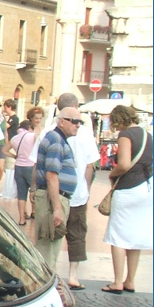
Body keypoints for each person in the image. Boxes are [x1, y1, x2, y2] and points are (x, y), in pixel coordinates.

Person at [101, 104, 153, 293]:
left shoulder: (126, 135)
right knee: (135, 236)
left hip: (128, 188)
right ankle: (130, 280)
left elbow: (123, 164)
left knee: (119, 236)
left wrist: (112, 174)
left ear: (118, 119)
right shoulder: (148, 135)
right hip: (147, 188)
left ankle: (116, 281)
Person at [54, 93, 98, 290]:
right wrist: (87, 188)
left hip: (54, 193)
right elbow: (90, 165)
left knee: (51, 234)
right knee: (77, 233)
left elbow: (38, 164)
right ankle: (73, 275)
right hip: (77, 193)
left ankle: (51, 272)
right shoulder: (86, 133)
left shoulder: (50, 131)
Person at [32, 106, 82, 269]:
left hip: (53, 197)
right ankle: (44, 286)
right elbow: (51, 175)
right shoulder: (56, 140)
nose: (78, 125)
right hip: (53, 198)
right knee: (48, 248)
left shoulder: (57, 139)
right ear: (61, 121)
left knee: (50, 247)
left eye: (79, 122)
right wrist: (57, 208)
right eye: (74, 121)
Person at [10, 118, 37, 226]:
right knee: (35, 191)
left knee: (21, 194)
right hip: (30, 167)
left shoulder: (14, 138)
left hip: (18, 167)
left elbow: (4, 150)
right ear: (29, 127)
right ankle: (35, 213)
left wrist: (14, 156)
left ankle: (22, 219)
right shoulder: (32, 135)